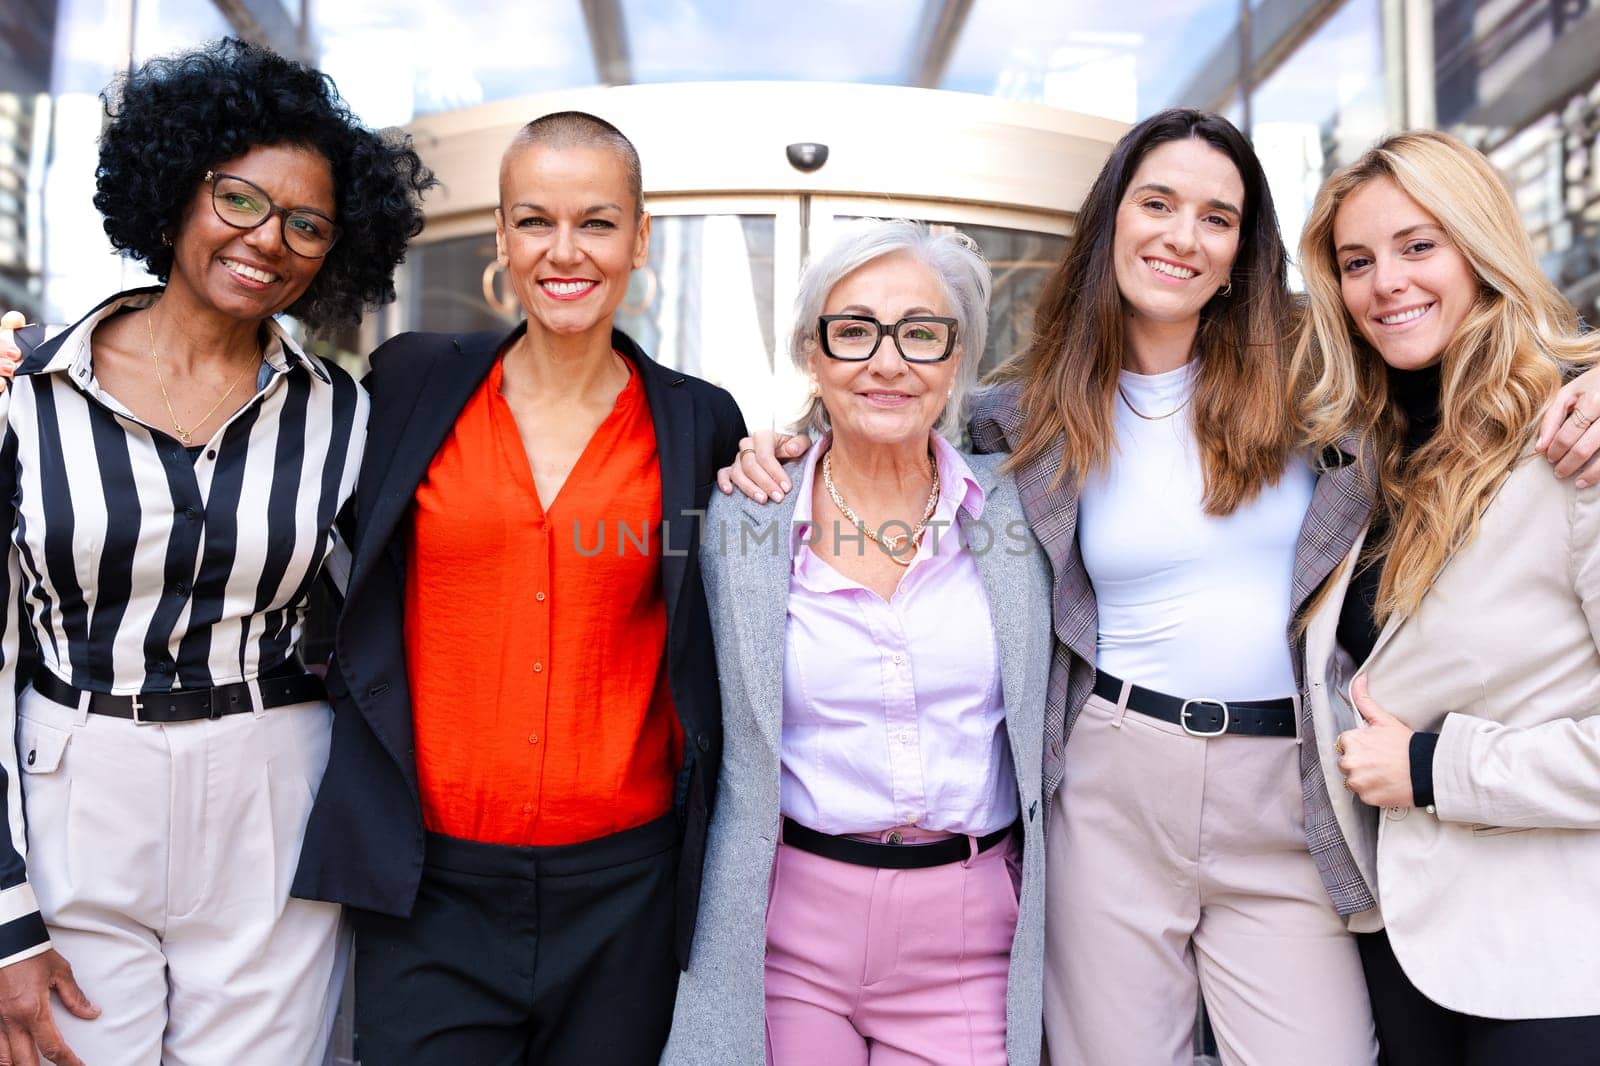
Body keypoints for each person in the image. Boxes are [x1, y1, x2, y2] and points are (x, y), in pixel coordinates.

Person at [720, 110, 1600, 1066]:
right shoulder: (1031, 411)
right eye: (1157, 203)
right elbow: (888, 398)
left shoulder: (1321, 383)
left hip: (1292, 786)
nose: (1183, 236)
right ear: (1111, 222)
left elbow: (1476, 380)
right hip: (1111, 781)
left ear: (1239, 255)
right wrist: (783, 441)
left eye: (1217, 218)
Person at [0, 38, 431, 1066]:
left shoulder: (347, 417)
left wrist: (756, 453)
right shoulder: (24, 397)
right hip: (73, 782)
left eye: (307, 224)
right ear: (177, 191)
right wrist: (8, 919)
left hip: (271, 792)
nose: (267, 239)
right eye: (239, 199)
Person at [290, 111, 747, 1066]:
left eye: (597, 222)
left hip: (627, 889)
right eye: (535, 221)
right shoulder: (410, 381)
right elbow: (272, 420)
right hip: (431, 886)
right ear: (501, 236)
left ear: (640, 236)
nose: (565, 251)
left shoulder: (698, 421)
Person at [664, 220, 1051, 1065]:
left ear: (958, 358)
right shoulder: (745, 516)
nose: (888, 362)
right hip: (789, 933)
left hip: (969, 939)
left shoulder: (1022, 513)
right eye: (854, 332)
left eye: (921, 333)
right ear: (814, 354)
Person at [1292, 130, 1600, 1066]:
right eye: (1356, 261)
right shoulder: (1358, 455)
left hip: (1553, 964)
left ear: (1482, 247)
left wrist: (1433, 769)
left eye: (1419, 246)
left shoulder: (1576, 441)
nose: (1386, 282)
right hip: (1407, 947)